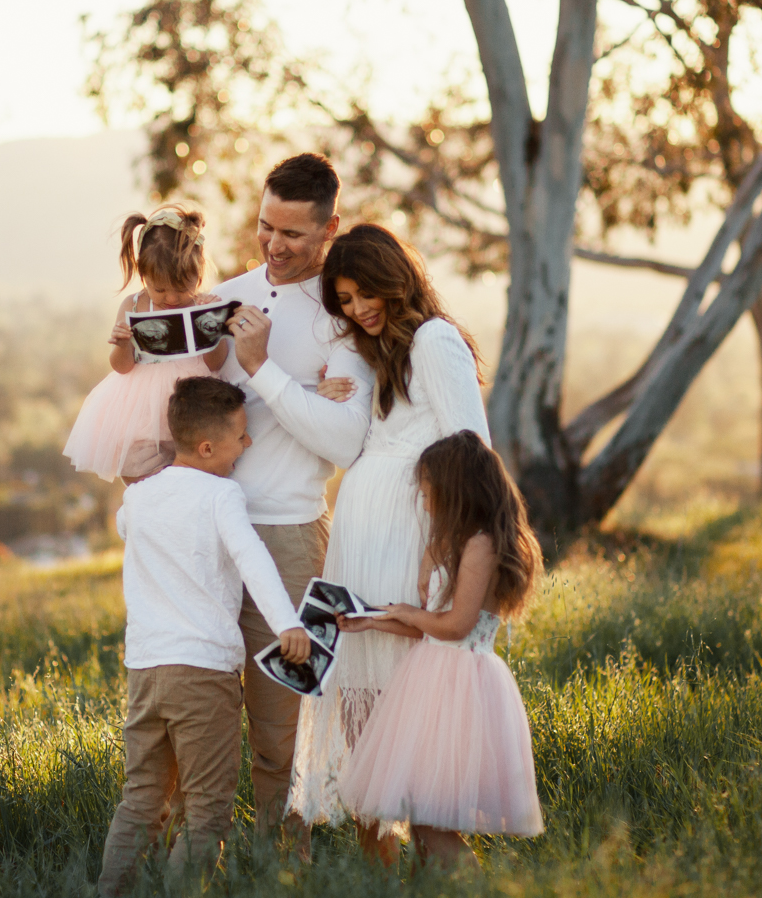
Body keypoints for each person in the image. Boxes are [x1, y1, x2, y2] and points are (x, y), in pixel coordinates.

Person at [286, 222, 488, 860]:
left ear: (395, 277)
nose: (357, 308)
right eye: (344, 300)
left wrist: (447, 552)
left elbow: (470, 453)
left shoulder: (433, 340)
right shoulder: (382, 357)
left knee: (416, 744)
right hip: (362, 562)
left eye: (364, 291)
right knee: (365, 736)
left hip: (410, 556)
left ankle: (440, 867)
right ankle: (378, 873)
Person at [97, 377, 315, 896]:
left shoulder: (140, 499)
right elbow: (252, 558)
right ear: (209, 447)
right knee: (208, 812)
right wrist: (287, 623)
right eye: (242, 436)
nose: (249, 444)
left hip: (146, 673)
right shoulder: (222, 495)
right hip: (202, 675)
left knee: (142, 800)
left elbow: (127, 525)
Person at [214, 154, 376, 843]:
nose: (274, 246)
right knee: (198, 712)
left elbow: (343, 443)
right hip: (206, 533)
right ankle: (192, 862)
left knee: (281, 725)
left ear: (330, 229)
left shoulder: (345, 320)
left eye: (294, 235)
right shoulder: (222, 299)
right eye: (264, 227)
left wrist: (264, 371)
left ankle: (280, 865)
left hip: (288, 537)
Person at [335, 430, 545, 868]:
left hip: (460, 683)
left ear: (457, 492)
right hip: (429, 676)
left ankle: (470, 882)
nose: (425, 502)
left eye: (430, 493)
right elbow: (429, 627)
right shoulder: (446, 543)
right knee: (421, 817)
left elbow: (456, 625)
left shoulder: (482, 544)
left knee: (431, 821)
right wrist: (372, 621)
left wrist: (408, 613)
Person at [64, 205, 228, 483]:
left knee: (192, 476)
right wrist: (121, 344)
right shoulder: (135, 305)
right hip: (144, 409)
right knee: (142, 475)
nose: (172, 299)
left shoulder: (202, 305)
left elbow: (216, 362)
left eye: (182, 287)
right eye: (160, 289)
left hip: (192, 404)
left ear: (199, 272)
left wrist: (212, 328)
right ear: (143, 276)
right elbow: (122, 367)